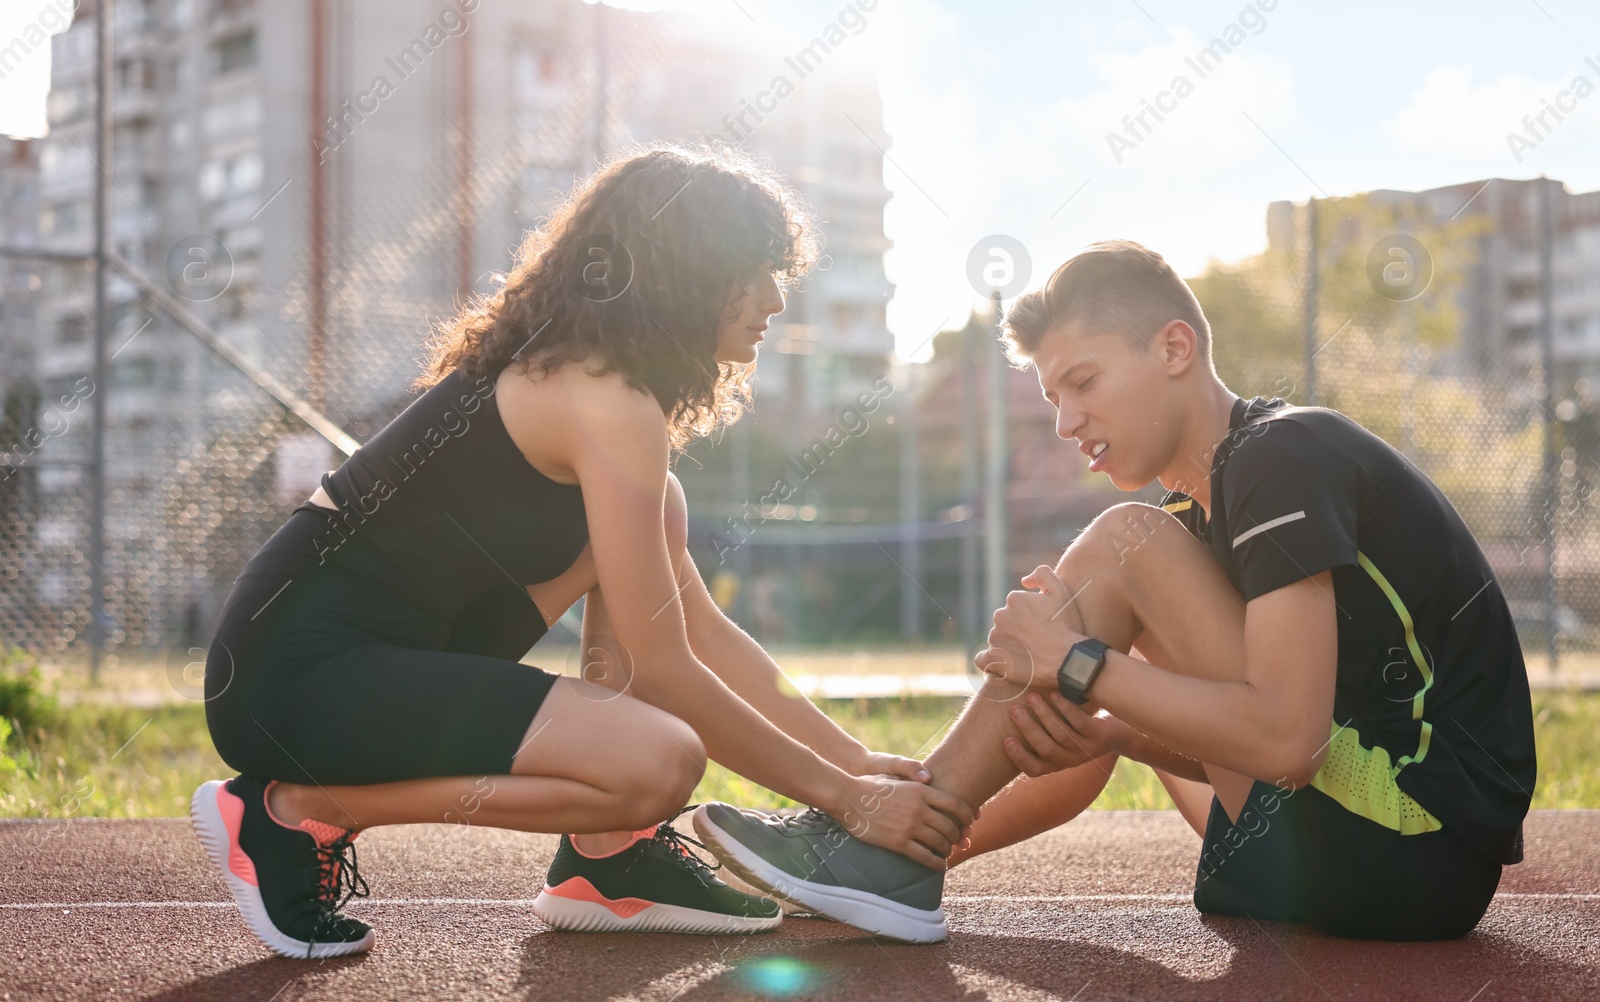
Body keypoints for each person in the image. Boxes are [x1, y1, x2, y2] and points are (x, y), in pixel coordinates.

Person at [190, 142, 972, 959]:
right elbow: (670, 672)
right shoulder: (602, 398)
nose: (777, 295)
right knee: (661, 758)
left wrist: (853, 760)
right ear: (686, 266)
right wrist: (846, 799)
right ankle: (294, 810)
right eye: (755, 267)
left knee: (660, 518)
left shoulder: (603, 394)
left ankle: (610, 856)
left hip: (371, 659)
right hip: (291, 678)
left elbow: (696, 632)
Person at [695, 239, 1537, 943]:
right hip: (1364, 848)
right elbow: (1249, 730)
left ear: (1175, 349)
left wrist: (1079, 661)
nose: (1066, 421)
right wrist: (1111, 728)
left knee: (1123, 544)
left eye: (1083, 382)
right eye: (1054, 396)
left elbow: (1287, 740)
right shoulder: (1204, 506)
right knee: (1109, 622)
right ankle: (903, 850)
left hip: (1415, 841)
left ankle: (892, 849)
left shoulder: (1280, 457)